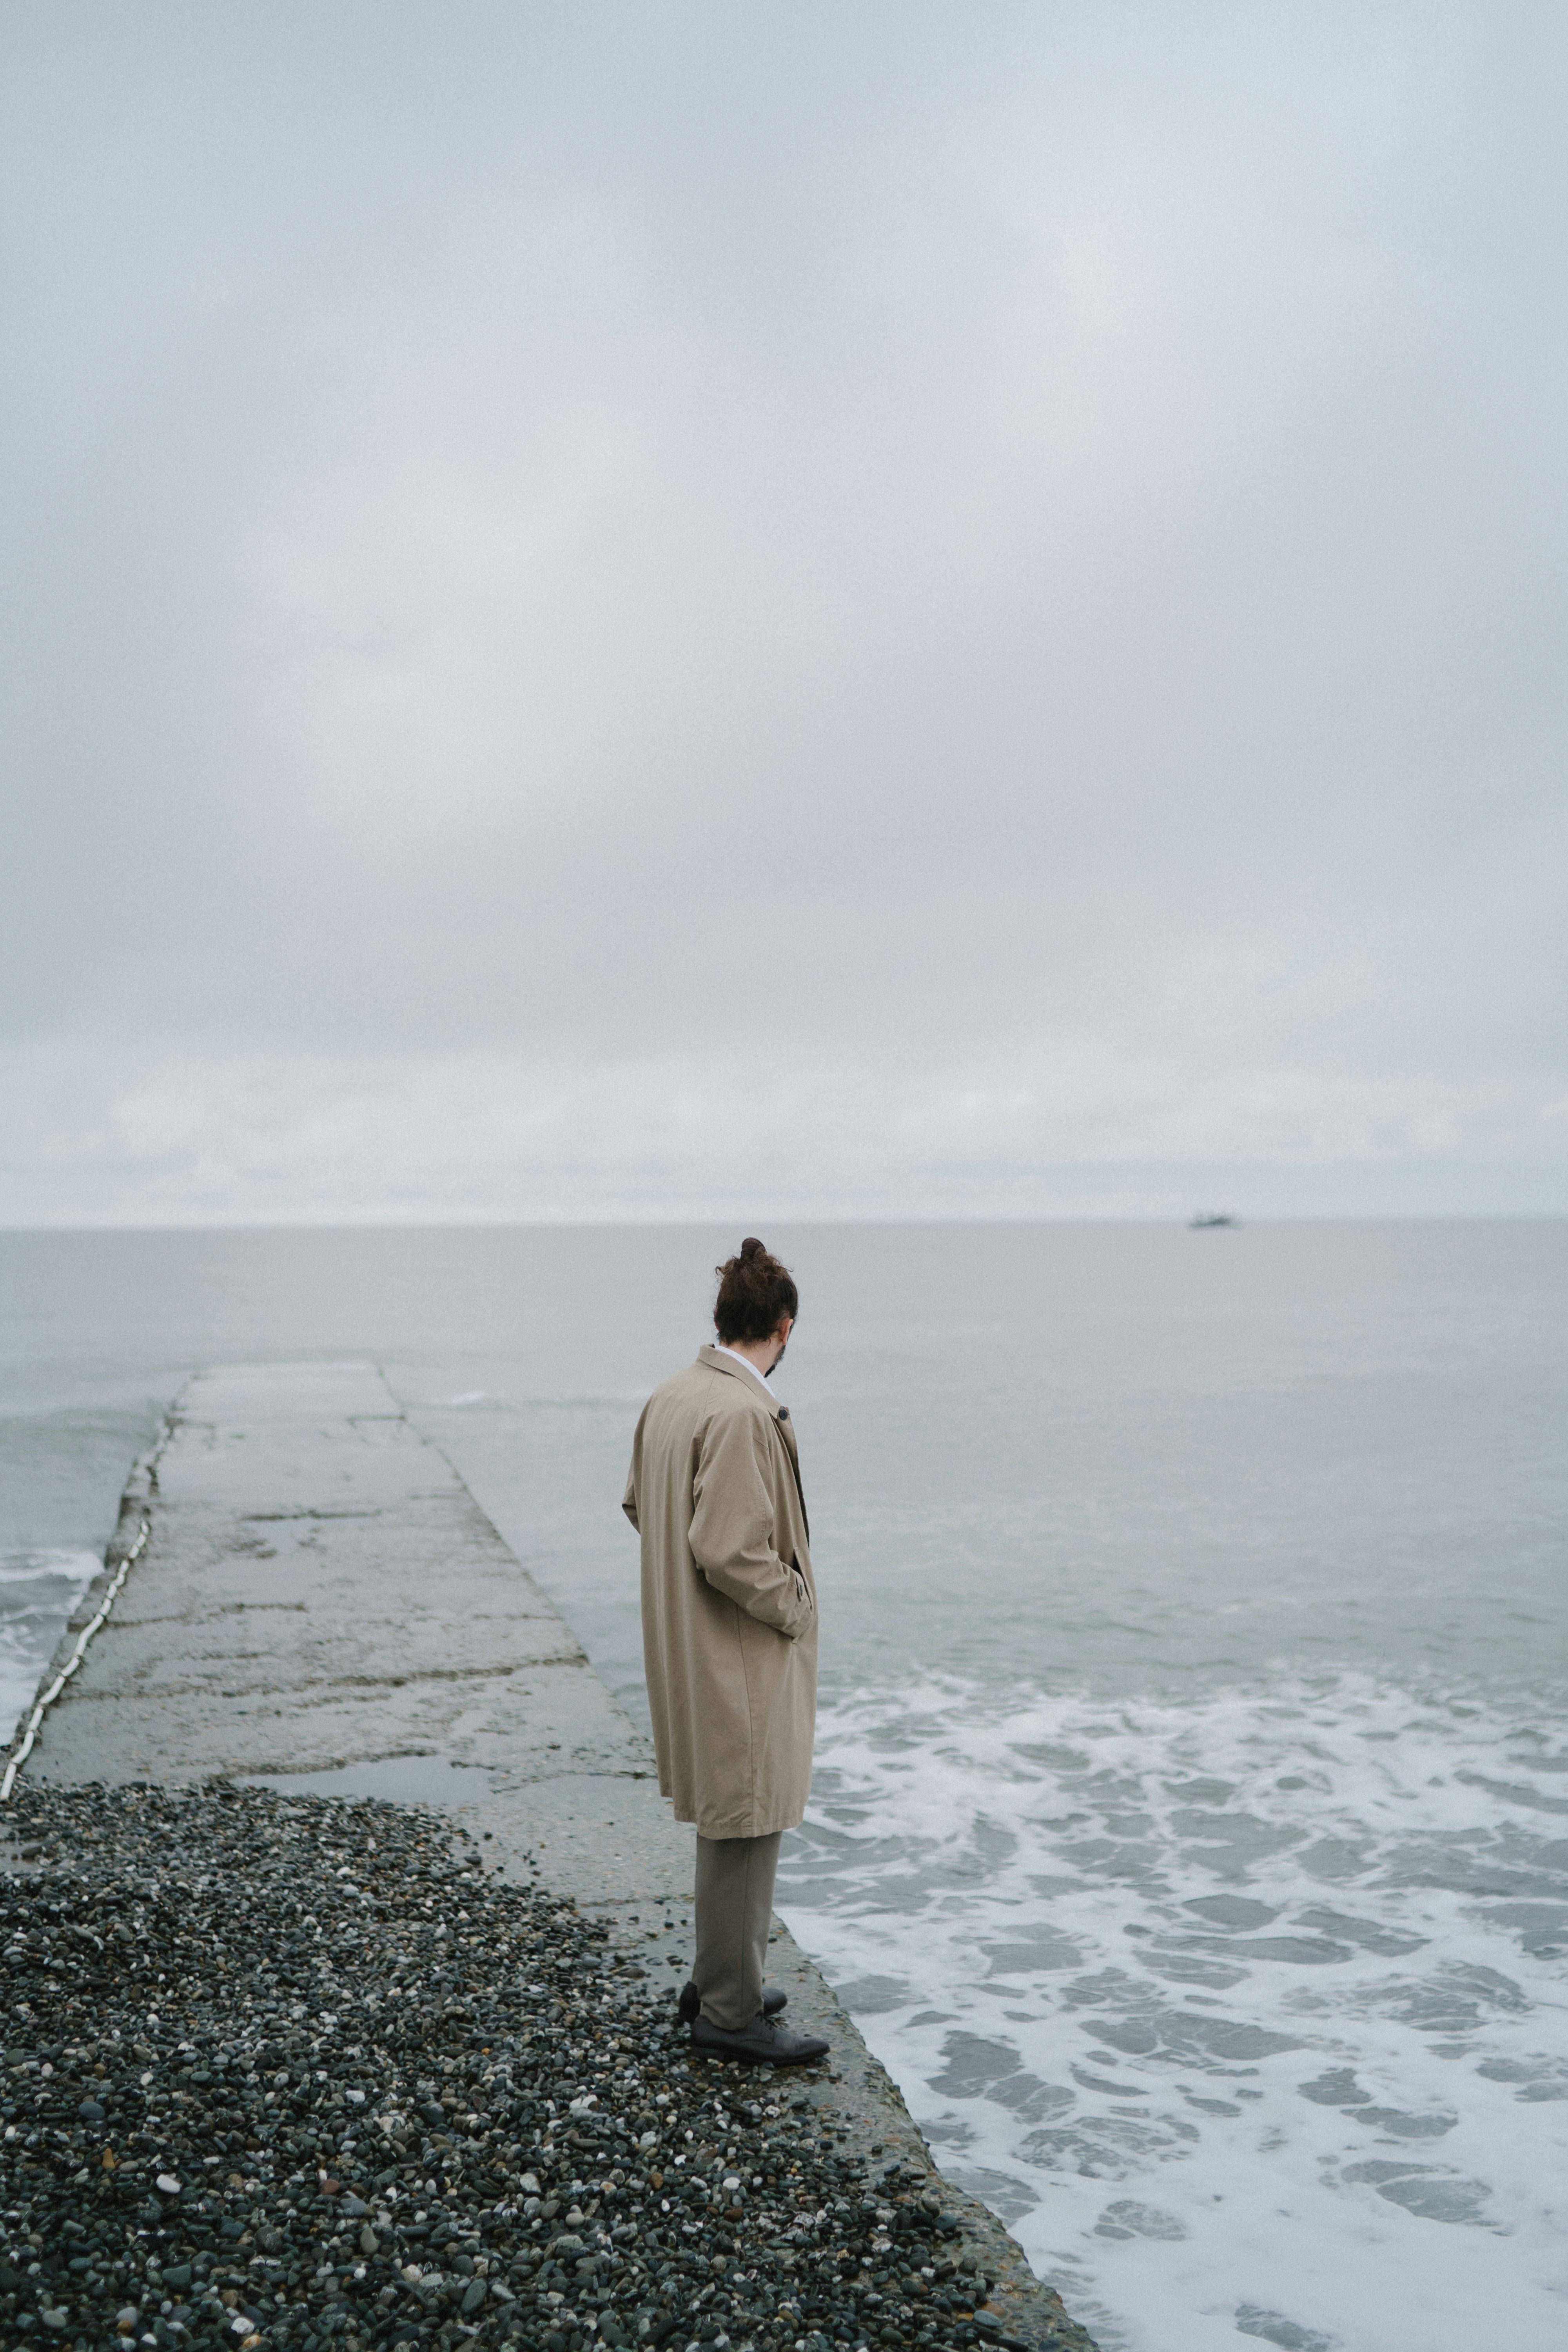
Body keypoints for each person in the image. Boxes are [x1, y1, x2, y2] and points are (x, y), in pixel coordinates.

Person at [622, 1238, 829, 2064]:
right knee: (746, 1822)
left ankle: (720, 1977)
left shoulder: (674, 1395)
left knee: (730, 1819)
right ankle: (730, 2014)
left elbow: (643, 1507)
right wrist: (795, 1606)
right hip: (735, 1653)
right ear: (782, 1328)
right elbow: (730, 1550)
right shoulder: (743, 1413)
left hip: (689, 1645)